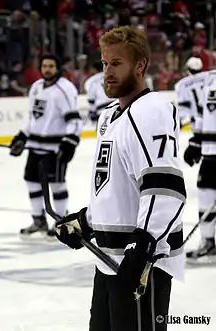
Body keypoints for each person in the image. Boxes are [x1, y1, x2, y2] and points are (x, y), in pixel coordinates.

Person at [55, 26, 186, 331]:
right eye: (104, 63)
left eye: (116, 63)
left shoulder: (151, 112)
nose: (107, 73)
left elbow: (165, 189)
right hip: (109, 259)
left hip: (140, 265)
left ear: (140, 65)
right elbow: (116, 189)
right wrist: (86, 222)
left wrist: (142, 248)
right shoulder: (110, 116)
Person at [9, 54, 82, 238]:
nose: (47, 69)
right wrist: (21, 136)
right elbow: (34, 118)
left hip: (55, 148)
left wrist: (70, 141)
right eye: (44, 66)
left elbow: (74, 119)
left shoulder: (65, 88)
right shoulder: (36, 87)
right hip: (35, 146)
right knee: (31, 181)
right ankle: (38, 220)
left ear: (57, 68)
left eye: (51, 65)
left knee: (57, 183)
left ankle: (61, 221)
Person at [185, 69, 216, 259]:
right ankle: (208, 241)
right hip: (210, 154)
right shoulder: (209, 80)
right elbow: (203, 115)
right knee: (205, 197)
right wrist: (196, 144)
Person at [174, 56, 206, 129]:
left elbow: (183, 108)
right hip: (210, 121)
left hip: (195, 124)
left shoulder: (181, 84)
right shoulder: (209, 79)